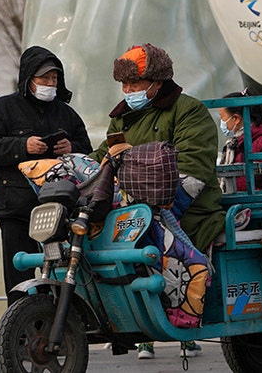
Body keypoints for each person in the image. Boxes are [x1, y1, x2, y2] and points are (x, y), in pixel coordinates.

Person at [89, 44, 222, 361]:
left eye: (134, 84)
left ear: (157, 82)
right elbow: (102, 158)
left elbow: (194, 168)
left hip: (187, 210)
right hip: (133, 210)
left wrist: (155, 205)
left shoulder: (189, 111)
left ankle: (177, 317)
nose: (127, 91)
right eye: (123, 85)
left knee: (149, 242)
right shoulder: (122, 118)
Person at [0, 45, 92, 297]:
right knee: (18, 274)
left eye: (54, 78)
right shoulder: (3, 108)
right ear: (29, 79)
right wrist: (22, 145)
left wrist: (71, 147)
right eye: (44, 78)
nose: (50, 83)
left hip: (59, 211)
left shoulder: (66, 113)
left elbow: (87, 151)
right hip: (16, 208)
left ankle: (58, 326)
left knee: (61, 273)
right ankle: (19, 329)